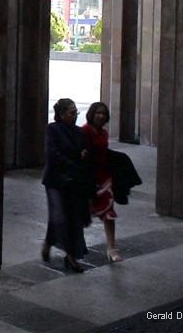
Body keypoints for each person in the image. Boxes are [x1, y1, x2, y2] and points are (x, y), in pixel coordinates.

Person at [41, 98, 92, 272]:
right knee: (58, 216)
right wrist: (76, 157)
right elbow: (53, 155)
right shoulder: (52, 129)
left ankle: (71, 257)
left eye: (76, 112)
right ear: (61, 115)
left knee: (72, 218)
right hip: (55, 181)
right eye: (71, 113)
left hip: (73, 181)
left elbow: (85, 152)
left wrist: (77, 157)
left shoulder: (79, 132)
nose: (75, 116)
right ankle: (49, 242)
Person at [81, 101, 122, 263]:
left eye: (104, 113)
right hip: (89, 178)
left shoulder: (104, 133)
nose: (101, 116)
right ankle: (73, 248)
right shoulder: (85, 131)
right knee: (81, 214)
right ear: (91, 114)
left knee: (109, 213)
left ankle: (112, 248)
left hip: (104, 177)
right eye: (98, 112)